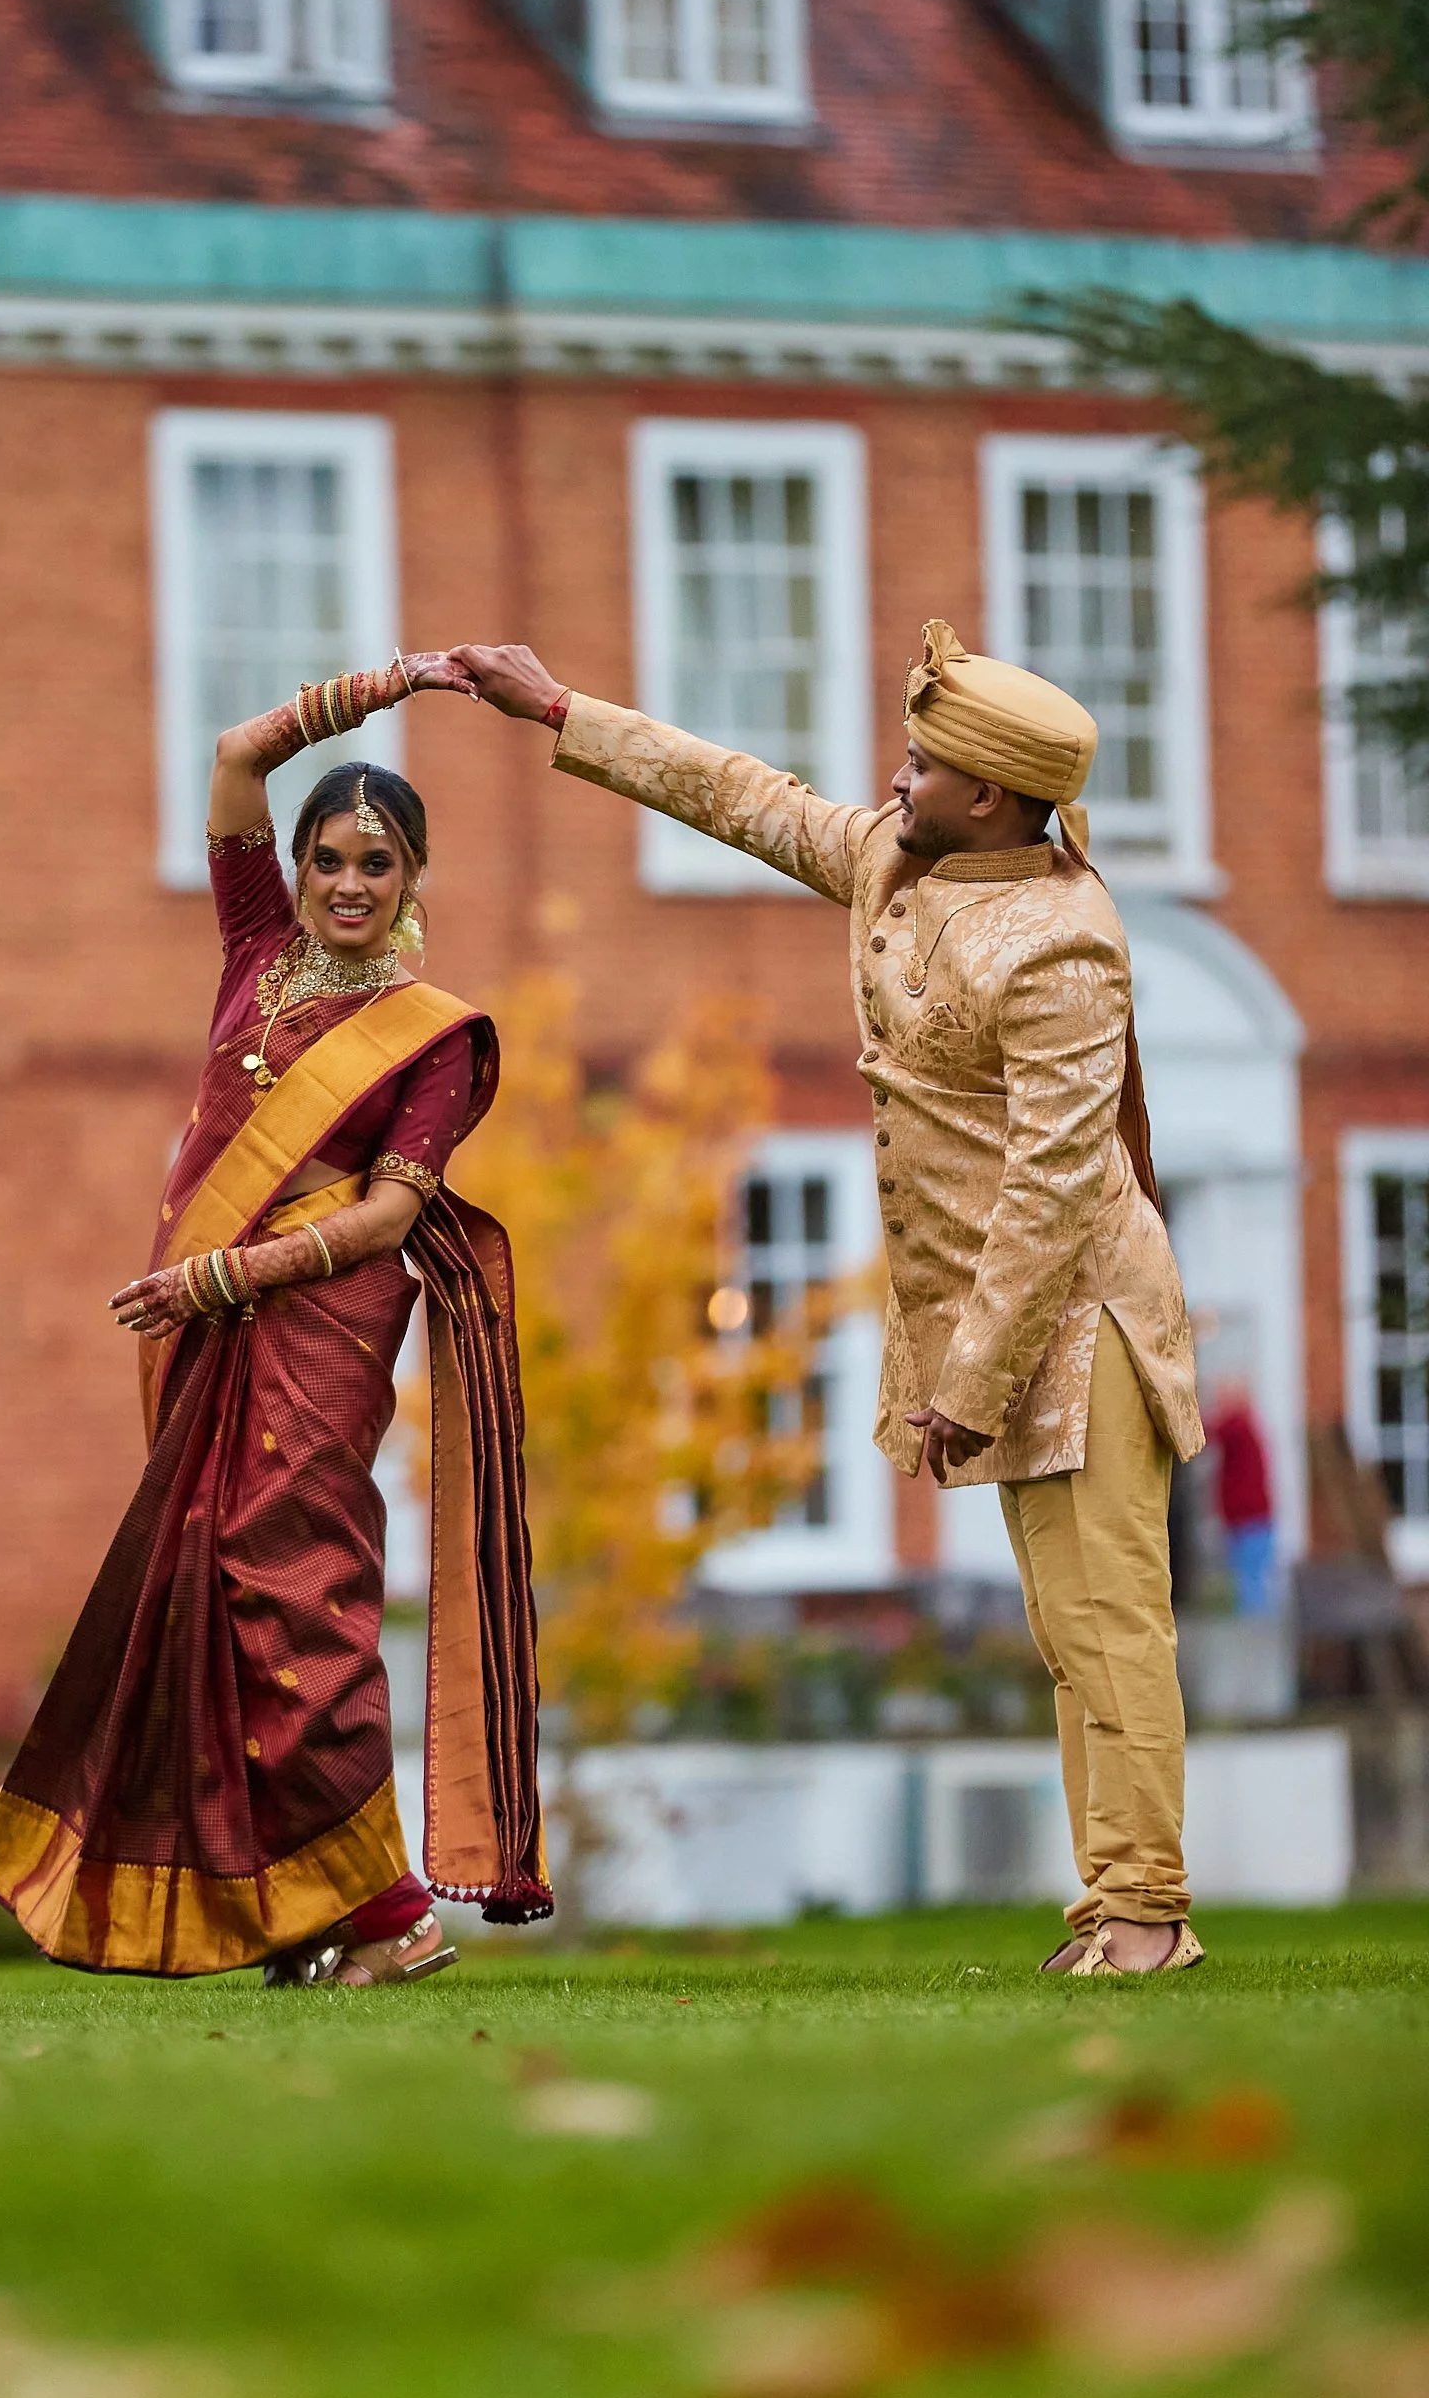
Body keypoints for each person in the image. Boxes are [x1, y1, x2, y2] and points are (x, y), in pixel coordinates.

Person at [453, 624, 1205, 1976]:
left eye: (920, 763)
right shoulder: (892, 865)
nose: (893, 778)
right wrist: (558, 710)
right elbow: (742, 794)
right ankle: (1110, 1904)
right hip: (1002, 1316)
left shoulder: (1066, 946)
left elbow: (1050, 1195)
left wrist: (963, 1390)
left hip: (1081, 1316)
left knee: (1109, 1620)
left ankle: (1147, 1914)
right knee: (1065, 1631)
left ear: (990, 795)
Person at [0, 654, 550, 1984]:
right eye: (329, 860)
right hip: (209, 1337)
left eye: (378, 864)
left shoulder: (433, 1037)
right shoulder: (254, 953)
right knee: (214, 1604)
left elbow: (395, 1220)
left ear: (414, 881)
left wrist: (221, 1279)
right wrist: (388, 683)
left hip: (317, 1334)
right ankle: (297, 1911)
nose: (350, 885)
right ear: (292, 870)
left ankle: (390, 1917)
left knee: (297, 1599)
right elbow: (237, 754)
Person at [1207, 1389, 1279, 1618]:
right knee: (1253, 1582)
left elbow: (1204, 1432)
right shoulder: (1248, 1428)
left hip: (1247, 1520)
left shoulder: (1237, 1427)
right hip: (1254, 1519)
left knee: (1250, 1585)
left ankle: (1252, 1641)